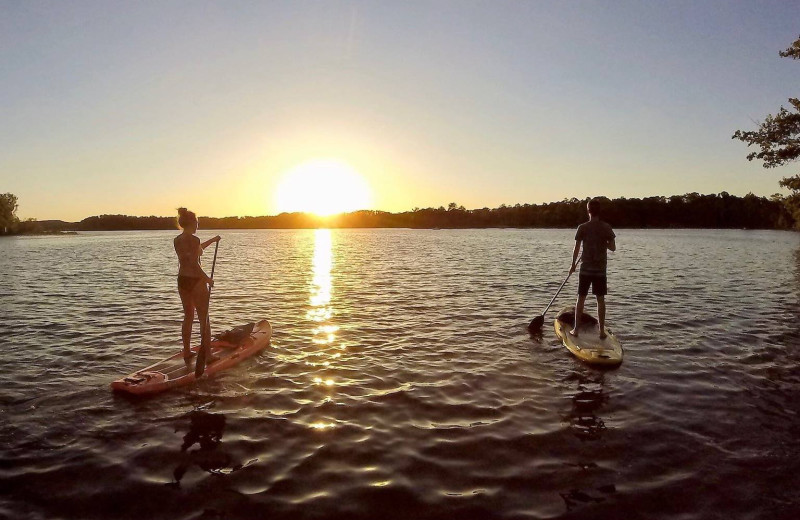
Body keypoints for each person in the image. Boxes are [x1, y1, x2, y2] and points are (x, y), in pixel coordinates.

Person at [174, 208, 221, 365]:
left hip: (182, 280)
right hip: (195, 281)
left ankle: (186, 351)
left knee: (188, 316)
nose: (198, 226)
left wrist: (212, 241)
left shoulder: (177, 240)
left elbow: (194, 253)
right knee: (204, 318)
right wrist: (207, 279)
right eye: (197, 223)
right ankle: (207, 354)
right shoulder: (194, 240)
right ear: (192, 223)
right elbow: (194, 262)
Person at [569, 198, 616, 338]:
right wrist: (603, 242)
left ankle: (576, 329)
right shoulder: (606, 227)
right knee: (600, 299)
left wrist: (572, 265)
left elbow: (576, 248)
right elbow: (613, 247)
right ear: (599, 211)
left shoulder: (582, 227)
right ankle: (601, 331)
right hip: (600, 270)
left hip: (585, 269)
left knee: (581, 298)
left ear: (588, 211)